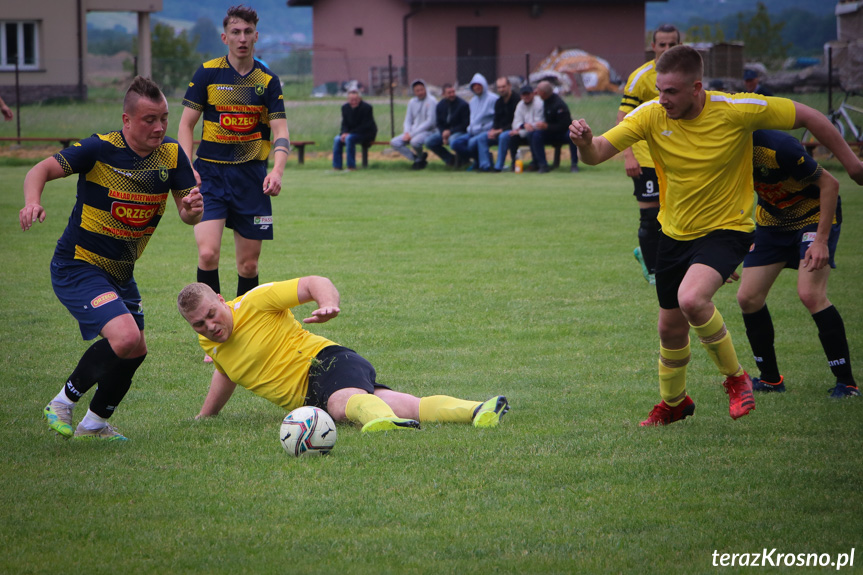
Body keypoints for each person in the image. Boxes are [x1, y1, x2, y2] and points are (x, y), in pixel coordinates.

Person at [568, 45, 863, 426]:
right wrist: (584, 142)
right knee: (669, 329)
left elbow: (809, 114)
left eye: (672, 91)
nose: (663, 99)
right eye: (660, 90)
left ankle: (736, 378)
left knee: (692, 299)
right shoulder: (650, 114)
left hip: (727, 229)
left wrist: (853, 164)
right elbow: (598, 153)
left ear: (697, 87)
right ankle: (674, 403)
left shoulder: (736, 108)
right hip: (674, 233)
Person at [20, 76, 203, 441]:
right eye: (150, 119)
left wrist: (193, 210)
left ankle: (95, 424)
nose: (160, 126)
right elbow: (39, 169)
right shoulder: (99, 148)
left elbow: (188, 213)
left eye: (164, 118)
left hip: (120, 272)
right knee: (124, 337)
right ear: (127, 120)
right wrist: (32, 201)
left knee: (136, 350)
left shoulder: (171, 155)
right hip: (78, 264)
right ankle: (61, 402)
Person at [177, 277, 510, 431]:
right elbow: (226, 371)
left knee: (340, 404)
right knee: (407, 403)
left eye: (211, 314)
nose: (210, 326)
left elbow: (312, 282)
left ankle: (384, 423)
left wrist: (327, 303)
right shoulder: (209, 343)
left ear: (221, 299)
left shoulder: (256, 301)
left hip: (324, 362)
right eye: (199, 324)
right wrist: (206, 416)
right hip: (310, 398)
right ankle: (478, 410)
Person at [178, 5, 289, 305]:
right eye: (236, 32)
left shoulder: (267, 80)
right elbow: (186, 125)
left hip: (251, 177)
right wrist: (188, 169)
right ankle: (212, 331)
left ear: (256, 36)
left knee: (248, 266)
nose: (242, 38)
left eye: (248, 32)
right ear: (225, 37)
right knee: (208, 253)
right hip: (210, 176)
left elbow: (280, 132)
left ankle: (242, 332)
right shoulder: (207, 73)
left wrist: (276, 171)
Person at [737, 130, 860, 398]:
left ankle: (846, 383)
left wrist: (821, 241)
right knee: (748, 298)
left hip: (812, 217)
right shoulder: (722, 149)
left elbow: (830, 185)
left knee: (810, 294)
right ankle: (770, 379)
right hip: (771, 223)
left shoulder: (778, 147)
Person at [617, 24, 680, 285]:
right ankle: (654, 269)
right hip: (645, 156)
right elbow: (623, 118)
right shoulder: (640, 77)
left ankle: (663, 260)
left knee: (675, 214)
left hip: (675, 156)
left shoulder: (686, 75)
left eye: (672, 44)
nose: (666, 49)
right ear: (653, 47)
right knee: (650, 216)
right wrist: (628, 155)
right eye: (662, 44)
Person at [451, 73, 498, 171]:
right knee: (455, 143)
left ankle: (484, 165)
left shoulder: (493, 99)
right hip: (472, 131)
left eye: (479, 85)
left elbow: (497, 118)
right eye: (474, 86)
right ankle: (479, 159)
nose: (477, 87)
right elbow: (472, 118)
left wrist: (488, 128)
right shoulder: (472, 101)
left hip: (486, 132)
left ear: (484, 85)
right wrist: (470, 128)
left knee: (472, 143)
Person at [532, 81, 578, 173]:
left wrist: (547, 126)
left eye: (538, 90)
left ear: (543, 93)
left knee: (573, 135)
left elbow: (564, 125)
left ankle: (574, 165)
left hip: (563, 132)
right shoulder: (544, 101)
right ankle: (543, 165)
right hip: (550, 132)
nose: (536, 92)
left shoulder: (559, 104)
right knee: (536, 135)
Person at [390, 79, 437, 169]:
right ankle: (417, 158)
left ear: (425, 89)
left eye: (422, 90)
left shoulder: (431, 101)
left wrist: (411, 134)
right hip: (413, 131)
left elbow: (430, 122)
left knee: (414, 142)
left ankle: (419, 159)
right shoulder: (412, 102)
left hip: (428, 131)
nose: (420, 92)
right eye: (417, 90)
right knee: (394, 142)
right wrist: (407, 132)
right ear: (414, 92)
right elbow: (408, 119)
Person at [426, 83, 470, 167]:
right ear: (443, 94)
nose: (452, 94)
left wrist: (450, 132)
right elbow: (439, 123)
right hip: (445, 132)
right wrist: (443, 133)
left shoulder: (463, 105)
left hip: (459, 131)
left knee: (453, 140)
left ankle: (465, 159)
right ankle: (450, 159)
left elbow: (465, 124)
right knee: (429, 141)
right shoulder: (440, 105)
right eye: (449, 93)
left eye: (453, 92)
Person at [332, 88, 377, 171]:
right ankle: (337, 166)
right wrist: (344, 133)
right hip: (350, 133)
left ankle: (351, 166)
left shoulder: (367, 108)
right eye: (351, 100)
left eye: (356, 99)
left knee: (349, 139)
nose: (354, 102)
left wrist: (349, 134)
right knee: (337, 139)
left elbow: (365, 125)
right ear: (348, 99)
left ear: (359, 99)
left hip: (365, 133)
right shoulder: (345, 108)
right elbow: (344, 123)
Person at [503, 84, 544, 171]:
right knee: (512, 136)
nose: (526, 96)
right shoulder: (520, 105)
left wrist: (522, 129)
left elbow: (538, 123)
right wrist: (523, 126)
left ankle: (536, 163)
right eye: (524, 95)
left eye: (528, 94)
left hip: (538, 132)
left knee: (532, 135)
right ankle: (514, 163)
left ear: (533, 94)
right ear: (521, 96)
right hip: (523, 133)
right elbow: (516, 123)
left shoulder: (539, 104)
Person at [485, 77, 519, 172]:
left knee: (503, 136)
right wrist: (493, 130)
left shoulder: (517, 100)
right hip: (499, 131)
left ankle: (498, 167)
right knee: (481, 139)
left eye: (503, 87)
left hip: (513, 130)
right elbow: (496, 120)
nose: (501, 89)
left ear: (509, 86)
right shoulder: (498, 102)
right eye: (499, 87)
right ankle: (485, 166)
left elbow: (515, 122)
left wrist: (499, 131)